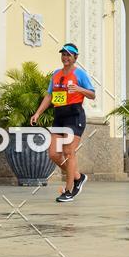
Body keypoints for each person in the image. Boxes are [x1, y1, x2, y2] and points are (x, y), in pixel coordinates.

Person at [31, 43, 95, 203]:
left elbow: (92, 94)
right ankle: (78, 177)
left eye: (69, 55)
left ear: (75, 57)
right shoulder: (56, 74)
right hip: (59, 116)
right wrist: (38, 113)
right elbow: (49, 96)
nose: (65, 57)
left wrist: (79, 89)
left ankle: (68, 190)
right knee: (53, 154)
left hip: (74, 116)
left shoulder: (80, 74)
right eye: (63, 54)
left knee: (68, 152)